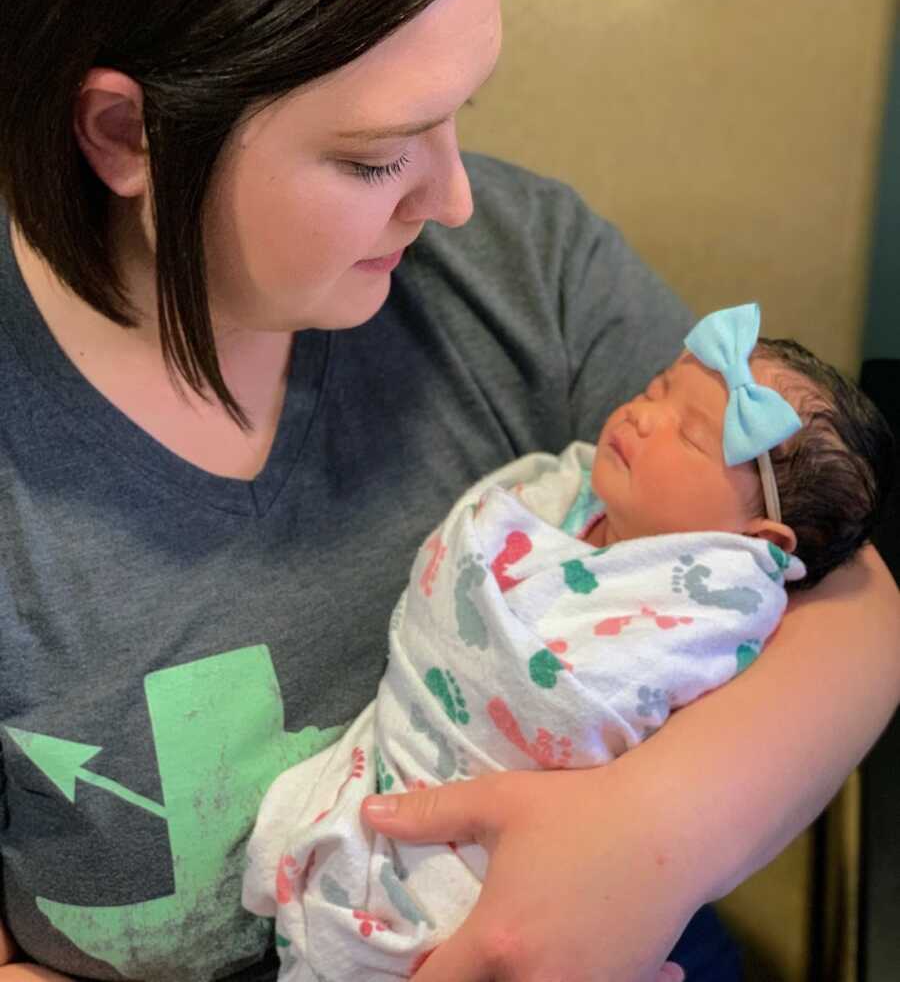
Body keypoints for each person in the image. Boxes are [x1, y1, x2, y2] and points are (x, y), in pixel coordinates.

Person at [0, 0, 898, 982]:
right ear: (128, 135)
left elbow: (853, 604)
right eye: (376, 156)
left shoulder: (523, 273)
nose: (450, 200)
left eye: (462, 113)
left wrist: (653, 837)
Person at [241, 303, 894, 980]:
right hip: (404, 770)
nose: (643, 414)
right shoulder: (570, 492)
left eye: (692, 435)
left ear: (753, 546)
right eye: (655, 389)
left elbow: (866, 601)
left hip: (550, 889)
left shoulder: (704, 614)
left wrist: (651, 837)